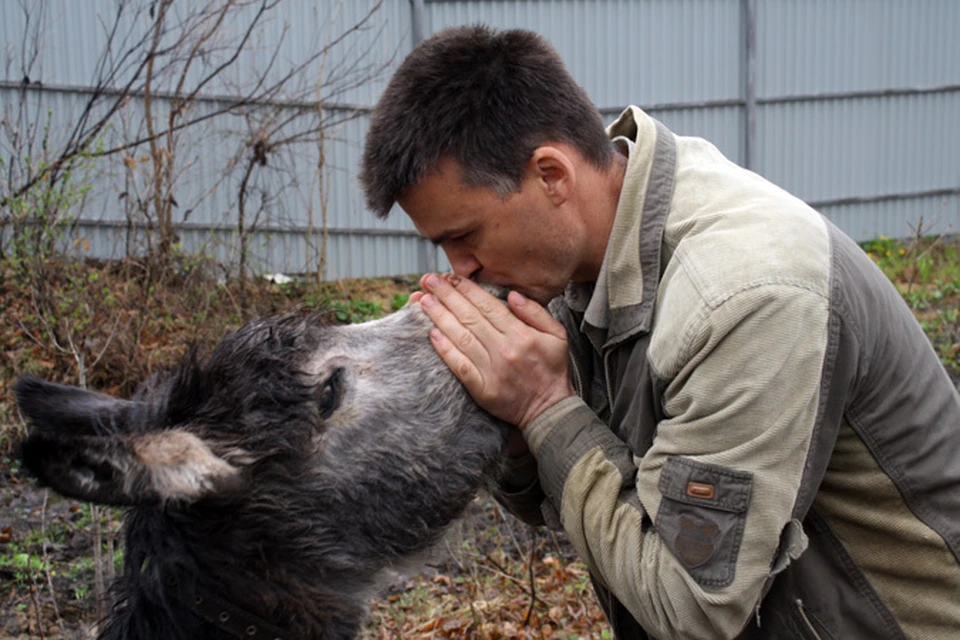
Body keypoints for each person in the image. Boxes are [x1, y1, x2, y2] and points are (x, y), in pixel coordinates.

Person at [359, 25, 960, 639]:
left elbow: (690, 609)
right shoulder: (587, 252)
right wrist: (515, 424)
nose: (460, 271)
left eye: (463, 237)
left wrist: (544, 406)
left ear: (551, 175)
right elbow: (562, 500)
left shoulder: (744, 296)